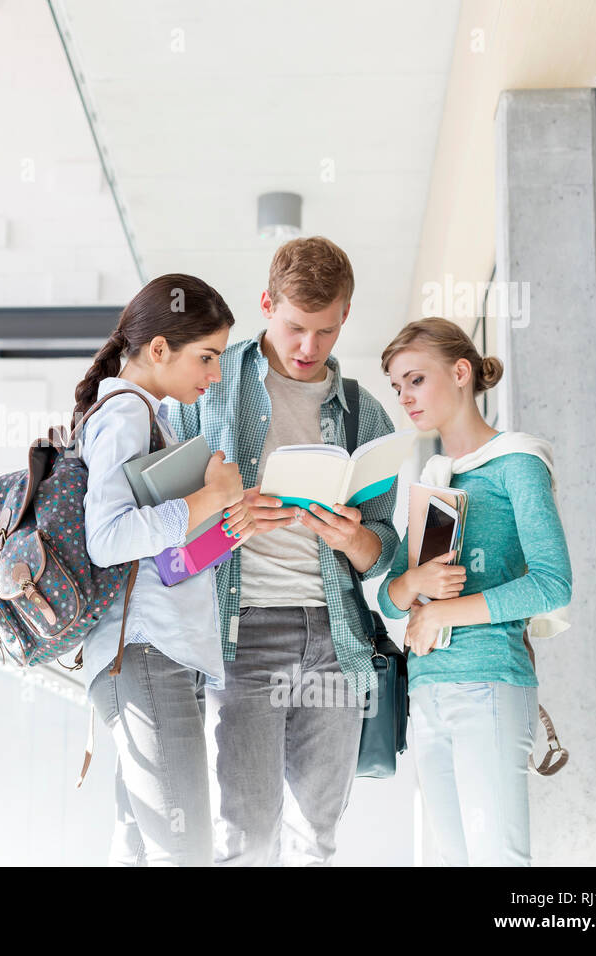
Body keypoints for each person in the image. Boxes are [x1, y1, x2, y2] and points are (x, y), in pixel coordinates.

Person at [168, 237, 401, 865]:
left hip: (338, 638)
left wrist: (355, 537)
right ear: (267, 304)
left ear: (345, 316)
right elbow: (162, 534)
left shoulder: (364, 415)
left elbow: (385, 553)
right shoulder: (207, 389)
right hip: (245, 638)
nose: (308, 348)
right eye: (295, 327)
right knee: (246, 834)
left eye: (324, 332)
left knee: (315, 838)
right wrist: (224, 517)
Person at [376, 317, 572, 866]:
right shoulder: (435, 478)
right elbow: (393, 602)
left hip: (487, 683)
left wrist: (445, 613)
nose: (405, 397)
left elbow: (553, 583)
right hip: (428, 693)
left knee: (500, 862)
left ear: (461, 372)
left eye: (415, 379)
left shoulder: (518, 463)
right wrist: (412, 587)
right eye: (397, 387)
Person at [74, 273, 243, 866]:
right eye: (207, 357)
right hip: (146, 652)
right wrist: (211, 500)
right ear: (159, 349)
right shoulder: (125, 415)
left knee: (146, 849)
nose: (215, 375)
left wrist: (230, 527)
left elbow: (163, 565)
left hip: (159, 651)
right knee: (184, 851)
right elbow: (109, 539)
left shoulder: (148, 418)